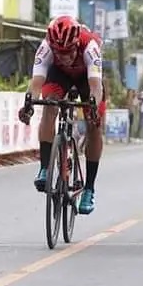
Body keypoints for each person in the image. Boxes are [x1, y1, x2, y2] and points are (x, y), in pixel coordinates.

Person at [18, 15, 104, 215]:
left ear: (76, 44)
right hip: (59, 75)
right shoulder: (46, 47)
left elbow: (95, 87)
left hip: (86, 77)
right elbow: (37, 82)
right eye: (60, 52)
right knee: (49, 106)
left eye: (68, 52)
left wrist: (92, 109)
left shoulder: (90, 46)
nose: (64, 56)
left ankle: (89, 188)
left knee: (95, 125)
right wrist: (29, 104)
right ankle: (45, 168)